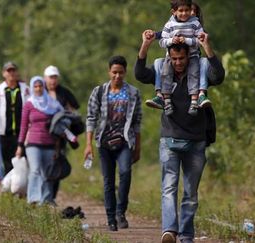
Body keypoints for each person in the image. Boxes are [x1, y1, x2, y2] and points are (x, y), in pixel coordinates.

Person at [135, 30, 224, 243]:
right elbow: (140, 74)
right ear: (169, 57)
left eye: (181, 58)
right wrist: (145, 45)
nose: (178, 63)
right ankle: (169, 231)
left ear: (188, 56)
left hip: (196, 140)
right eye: (174, 59)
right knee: (168, 187)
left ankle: (186, 235)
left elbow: (218, 76)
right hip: (169, 139)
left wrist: (206, 47)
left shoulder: (199, 71)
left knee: (191, 193)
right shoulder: (162, 71)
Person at [84, 56, 142, 231]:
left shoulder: (133, 93)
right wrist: (88, 144)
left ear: (125, 73)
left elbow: (137, 121)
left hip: (124, 141)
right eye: (114, 72)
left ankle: (120, 212)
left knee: (125, 173)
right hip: (104, 142)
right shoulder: (100, 91)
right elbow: (91, 118)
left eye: (121, 72)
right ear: (109, 72)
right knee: (108, 181)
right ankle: (111, 219)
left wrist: (137, 147)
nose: (117, 76)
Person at [148, 1, 211, 110]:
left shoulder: (195, 24)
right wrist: (171, 40)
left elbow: (200, 41)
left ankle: (195, 100)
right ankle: (164, 98)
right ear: (174, 12)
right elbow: (162, 41)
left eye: (187, 10)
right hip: (171, 57)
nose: (184, 13)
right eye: (181, 11)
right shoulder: (169, 24)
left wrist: (186, 40)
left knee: (194, 73)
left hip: (192, 56)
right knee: (166, 72)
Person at [15, 76, 63, 205]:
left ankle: (46, 199)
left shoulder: (52, 104)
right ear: (32, 88)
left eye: (40, 86)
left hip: (49, 143)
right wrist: (20, 145)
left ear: (44, 87)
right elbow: (24, 126)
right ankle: (33, 199)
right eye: (35, 86)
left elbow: (59, 124)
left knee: (47, 173)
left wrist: (58, 145)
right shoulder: (29, 104)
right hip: (33, 143)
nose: (38, 89)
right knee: (35, 170)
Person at [0, 62, 30, 177]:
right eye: (9, 71)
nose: (11, 73)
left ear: (17, 73)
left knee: (23, 160)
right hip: (4, 132)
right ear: (4, 73)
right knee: (8, 162)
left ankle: (23, 188)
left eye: (13, 70)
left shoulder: (25, 90)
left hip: (22, 132)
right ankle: (11, 189)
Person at [44, 65, 81, 200]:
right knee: (44, 164)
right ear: (45, 78)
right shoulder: (40, 91)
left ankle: (52, 197)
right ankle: (44, 196)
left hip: (60, 136)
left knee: (58, 163)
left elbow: (75, 107)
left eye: (55, 77)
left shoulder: (64, 92)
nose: (53, 80)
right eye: (50, 77)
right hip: (44, 134)